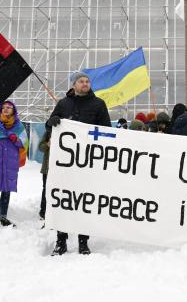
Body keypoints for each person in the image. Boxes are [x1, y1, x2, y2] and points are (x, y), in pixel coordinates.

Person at [46, 71, 111, 256]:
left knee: (85, 201)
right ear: (74, 85)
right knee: (64, 199)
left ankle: (84, 241)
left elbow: (106, 129)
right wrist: (52, 121)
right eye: (81, 81)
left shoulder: (98, 104)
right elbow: (48, 124)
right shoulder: (63, 103)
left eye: (87, 81)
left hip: (88, 162)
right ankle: (61, 241)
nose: (85, 83)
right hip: (66, 163)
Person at [0, 101, 28, 227]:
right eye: (4, 107)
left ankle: (3, 217)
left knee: (6, 190)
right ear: (1, 110)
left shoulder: (19, 126)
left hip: (10, 163)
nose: (6, 109)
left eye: (9, 108)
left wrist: (17, 140)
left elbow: (25, 144)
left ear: (14, 111)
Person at [38, 128, 51, 221]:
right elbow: (40, 147)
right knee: (46, 189)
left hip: (62, 170)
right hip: (47, 168)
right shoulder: (49, 131)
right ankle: (43, 211)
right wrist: (47, 144)